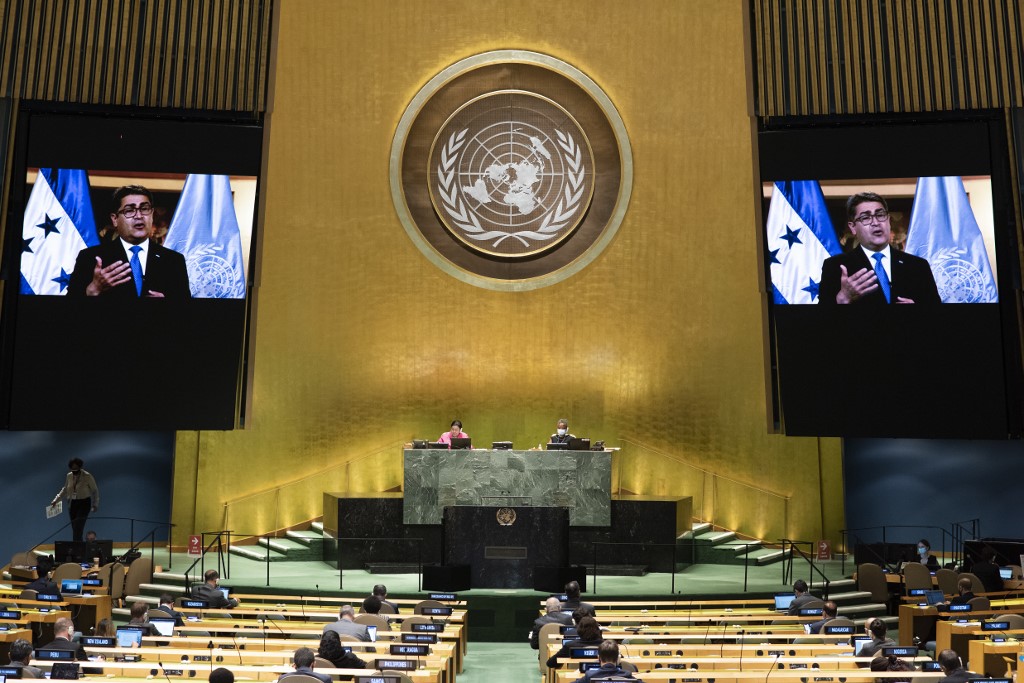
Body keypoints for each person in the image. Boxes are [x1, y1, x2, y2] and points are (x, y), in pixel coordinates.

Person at [68, 185, 191, 299]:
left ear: (152, 215)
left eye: (144, 209)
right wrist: (93, 290)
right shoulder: (90, 258)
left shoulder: (174, 261)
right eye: (129, 210)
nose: (139, 215)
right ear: (115, 219)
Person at [819, 192, 940, 305]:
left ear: (888, 220)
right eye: (865, 218)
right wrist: (843, 298)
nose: (875, 222)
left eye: (880, 215)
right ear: (853, 227)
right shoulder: (835, 266)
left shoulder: (918, 266)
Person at [50, 458, 100, 543]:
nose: (74, 471)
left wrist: (95, 504)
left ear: (80, 467)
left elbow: (95, 490)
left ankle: (77, 548)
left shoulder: (87, 476)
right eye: (72, 469)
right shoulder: (69, 476)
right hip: (72, 503)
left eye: (76, 468)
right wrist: (56, 500)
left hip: (84, 503)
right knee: (75, 528)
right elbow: (65, 489)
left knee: (78, 527)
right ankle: (78, 547)